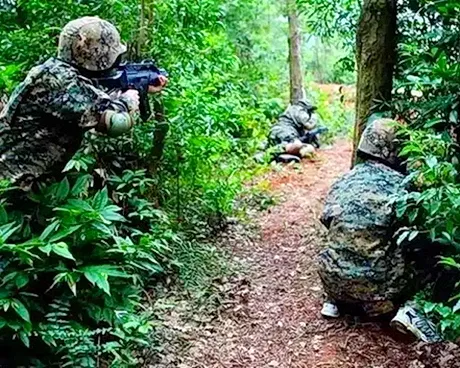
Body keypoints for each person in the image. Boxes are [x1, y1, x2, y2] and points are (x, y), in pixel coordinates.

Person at [0, 16, 167, 191]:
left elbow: (92, 97)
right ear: (97, 53)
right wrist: (129, 99)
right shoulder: (62, 83)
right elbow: (116, 123)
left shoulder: (55, 71)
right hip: (13, 184)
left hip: (22, 178)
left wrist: (139, 87)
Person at [318, 117, 441, 342]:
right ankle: (412, 309)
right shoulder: (402, 185)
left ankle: (337, 301)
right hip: (380, 291)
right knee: (432, 254)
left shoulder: (344, 179)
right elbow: (415, 237)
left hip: (332, 282)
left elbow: (327, 221)